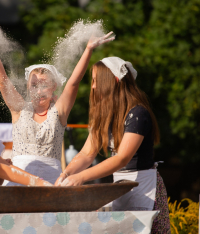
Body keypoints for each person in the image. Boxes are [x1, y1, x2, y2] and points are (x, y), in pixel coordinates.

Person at [0, 27, 115, 185]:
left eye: (44, 84)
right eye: (34, 85)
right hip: (19, 177)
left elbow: (74, 82)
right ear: (28, 87)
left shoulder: (59, 110)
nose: (38, 90)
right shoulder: (19, 108)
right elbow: (2, 80)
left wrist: (88, 49)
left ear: (54, 86)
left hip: (51, 178)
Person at [55, 57, 170, 233]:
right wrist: (66, 174)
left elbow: (122, 158)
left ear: (115, 80)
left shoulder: (137, 113)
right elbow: (86, 154)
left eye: (95, 80)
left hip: (146, 189)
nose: (93, 86)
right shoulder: (104, 115)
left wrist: (81, 177)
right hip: (121, 188)